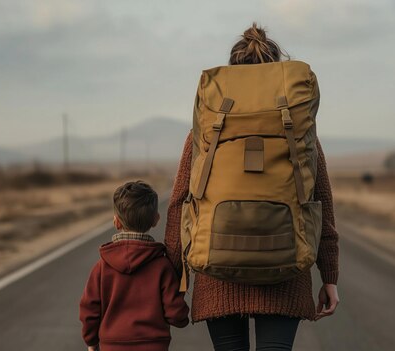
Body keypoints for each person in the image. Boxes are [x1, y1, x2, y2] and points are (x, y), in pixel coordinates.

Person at [164, 22, 340, 351]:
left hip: (217, 274)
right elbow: (322, 204)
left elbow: (179, 203)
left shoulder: (204, 133)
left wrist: (173, 278)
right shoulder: (301, 134)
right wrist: (329, 276)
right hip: (286, 271)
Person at [79, 180, 189, 351]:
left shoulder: (101, 267)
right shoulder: (162, 266)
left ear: (116, 222)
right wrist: (181, 318)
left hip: (112, 346)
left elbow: (89, 310)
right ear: (156, 220)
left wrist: (91, 341)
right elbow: (176, 313)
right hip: (154, 346)